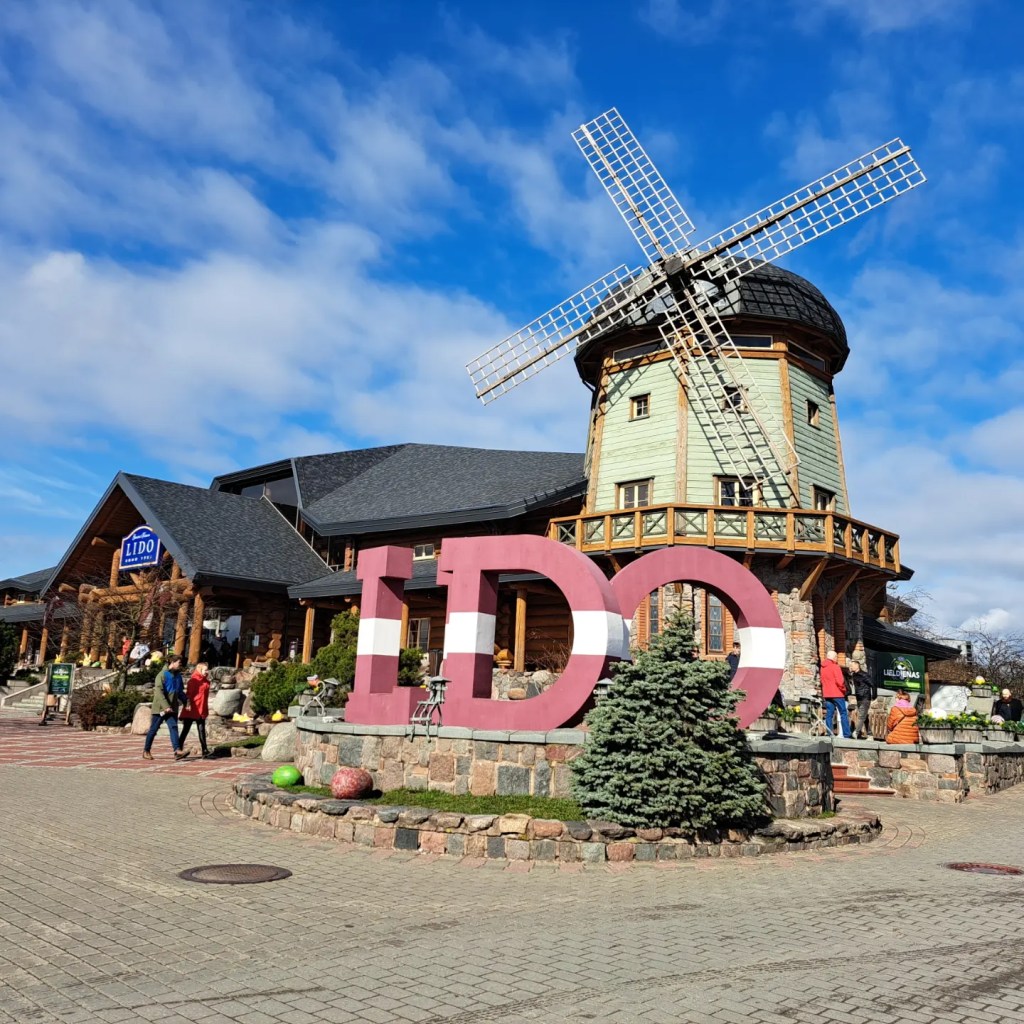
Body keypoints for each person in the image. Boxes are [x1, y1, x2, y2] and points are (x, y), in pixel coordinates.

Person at [143, 655, 189, 760]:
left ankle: (177, 751)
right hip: (160, 708)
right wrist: (166, 706)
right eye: (179, 663)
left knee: (173, 727)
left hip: (172, 708)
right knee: (153, 730)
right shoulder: (162, 675)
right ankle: (146, 751)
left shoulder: (178, 676)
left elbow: (179, 691)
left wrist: (186, 701)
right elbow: (159, 692)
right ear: (172, 662)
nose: (180, 665)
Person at [178, 662, 212, 758]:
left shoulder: (205, 681)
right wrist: (187, 704)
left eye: (207, 670)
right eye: (205, 670)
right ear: (199, 670)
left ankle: (204, 750)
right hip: (193, 708)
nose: (207, 671)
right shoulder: (193, 681)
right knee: (186, 729)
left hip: (201, 708)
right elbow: (189, 694)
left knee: (201, 729)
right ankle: (178, 748)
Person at [820, 650, 851, 739]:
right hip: (837, 693)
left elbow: (822, 680)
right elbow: (840, 681)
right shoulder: (835, 667)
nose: (837, 658)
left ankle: (830, 733)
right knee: (843, 713)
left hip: (827, 693)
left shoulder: (822, 667)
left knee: (829, 714)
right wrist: (843, 690)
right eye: (836, 657)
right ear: (833, 657)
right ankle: (846, 734)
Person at [849, 659, 875, 739]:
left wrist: (874, 696)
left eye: (852, 665)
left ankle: (856, 733)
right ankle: (870, 735)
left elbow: (873, 684)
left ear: (857, 666)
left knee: (861, 716)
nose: (851, 667)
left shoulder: (864, 675)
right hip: (859, 698)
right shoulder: (854, 675)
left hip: (865, 698)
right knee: (864, 717)